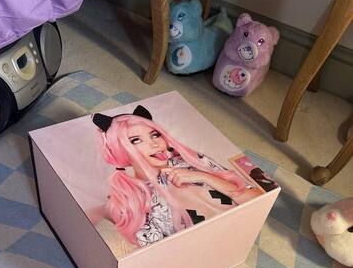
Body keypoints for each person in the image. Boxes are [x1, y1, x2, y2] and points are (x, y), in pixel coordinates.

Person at [90, 105, 260, 248]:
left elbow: (259, 200)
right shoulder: (133, 198)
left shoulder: (194, 161)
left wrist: (203, 177)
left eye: (154, 135)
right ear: (120, 150)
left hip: (246, 232)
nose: (154, 143)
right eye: (136, 140)